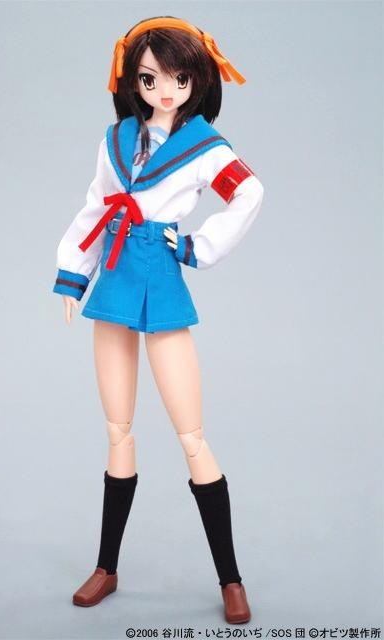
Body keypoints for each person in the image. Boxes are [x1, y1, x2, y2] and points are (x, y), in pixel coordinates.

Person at [52, 15, 264, 624]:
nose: (164, 90)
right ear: (133, 80)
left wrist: (197, 246)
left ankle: (230, 577)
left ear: (197, 79)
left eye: (178, 78)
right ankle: (107, 566)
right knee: (118, 430)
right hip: (115, 270)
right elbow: (96, 206)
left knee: (191, 435)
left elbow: (249, 192)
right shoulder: (116, 139)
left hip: (160, 271)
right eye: (150, 78)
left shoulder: (204, 145)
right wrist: (72, 272)